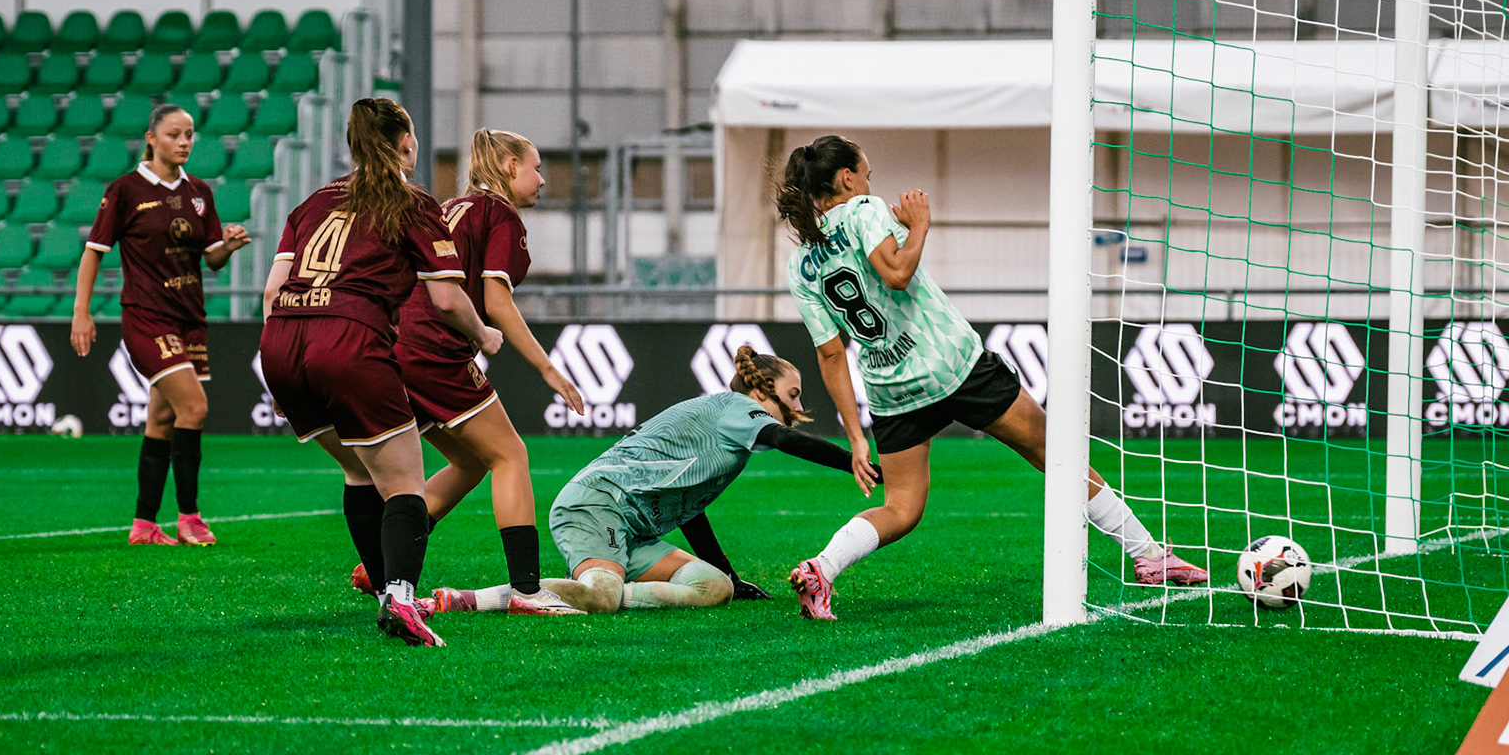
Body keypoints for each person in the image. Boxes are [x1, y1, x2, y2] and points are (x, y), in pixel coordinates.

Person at [774, 135, 1207, 620]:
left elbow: (832, 356)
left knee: (901, 508)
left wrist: (856, 437)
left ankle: (822, 568)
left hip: (890, 389)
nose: (872, 183)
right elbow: (896, 273)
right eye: (867, 175)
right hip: (950, 364)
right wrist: (919, 225)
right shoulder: (864, 210)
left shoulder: (800, 263)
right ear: (847, 179)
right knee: (1054, 452)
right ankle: (1148, 557)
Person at [258, 99, 525, 647]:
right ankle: (401, 598)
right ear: (406, 143)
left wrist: (279, 372)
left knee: (360, 472)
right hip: (347, 337)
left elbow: (269, 292)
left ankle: (385, 593)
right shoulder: (411, 202)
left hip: (281, 339)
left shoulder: (312, 202)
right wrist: (484, 336)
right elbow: (448, 297)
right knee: (403, 480)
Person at [357, 127, 587, 616]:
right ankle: (526, 591)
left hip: (399, 346)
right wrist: (548, 369)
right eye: (536, 167)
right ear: (508, 167)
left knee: (471, 460)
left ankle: (380, 561)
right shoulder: (499, 214)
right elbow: (496, 301)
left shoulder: (450, 207)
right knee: (511, 456)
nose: (542, 179)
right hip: (435, 350)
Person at [511, 345, 875, 615]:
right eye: (792, 395)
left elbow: (690, 511)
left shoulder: (728, 431)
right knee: (602, 597)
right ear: (762, 392)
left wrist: (731, 578)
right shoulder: (737, 408)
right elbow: (785, 439)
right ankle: (472, 598)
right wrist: (856, 462)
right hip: (597, 505)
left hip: (632, 530)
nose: (796, 407)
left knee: (713, 588)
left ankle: (601, 585)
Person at [71, 102, 251, 545]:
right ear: (151, 138)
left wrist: (227, 246)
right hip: (147, 317)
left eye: (190, 134)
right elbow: (95, 250)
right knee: (194, 407)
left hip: (191, 318)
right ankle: (189, 517)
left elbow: (209, 260)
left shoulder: (200, 193)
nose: (185, 142)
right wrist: (82, 311)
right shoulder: (126, 190)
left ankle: (144, 524)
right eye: (174, 134)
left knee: (163, 417)